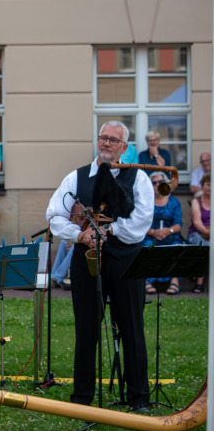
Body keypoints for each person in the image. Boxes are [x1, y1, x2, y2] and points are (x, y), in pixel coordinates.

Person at [46, 120, 153, 413]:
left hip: (125, 259)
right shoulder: (77, 177)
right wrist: (79, 234)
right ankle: (82, 397)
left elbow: (142, 223)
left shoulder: (138, 178)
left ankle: (138, 397)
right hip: (86, 258)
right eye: (103, 138)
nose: (106, 144)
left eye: (113, 140)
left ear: (124, 147)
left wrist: (109, 231)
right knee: (86, 327)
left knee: (131, 327)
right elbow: (54, 215)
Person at [142, 172, 184, 295]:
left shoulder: (174, 201)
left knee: (177, 247)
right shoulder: (146, 201)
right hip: (151, 235)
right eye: (154, 183)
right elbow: (141, 223)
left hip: (170, 236)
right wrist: (153, 232)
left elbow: (178, 225)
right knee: (146, 246)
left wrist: (168, 231)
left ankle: (174, 280)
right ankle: (147, 281)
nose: (157, 185)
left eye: (160, 182)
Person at [187, 173, 210, 293]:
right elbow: (197, 222)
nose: (210, 187)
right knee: (205, 246)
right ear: (203, 185)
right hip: (198, 232)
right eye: (207, 185)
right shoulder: (197, 201)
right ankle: (199, 283)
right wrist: (207, 232)